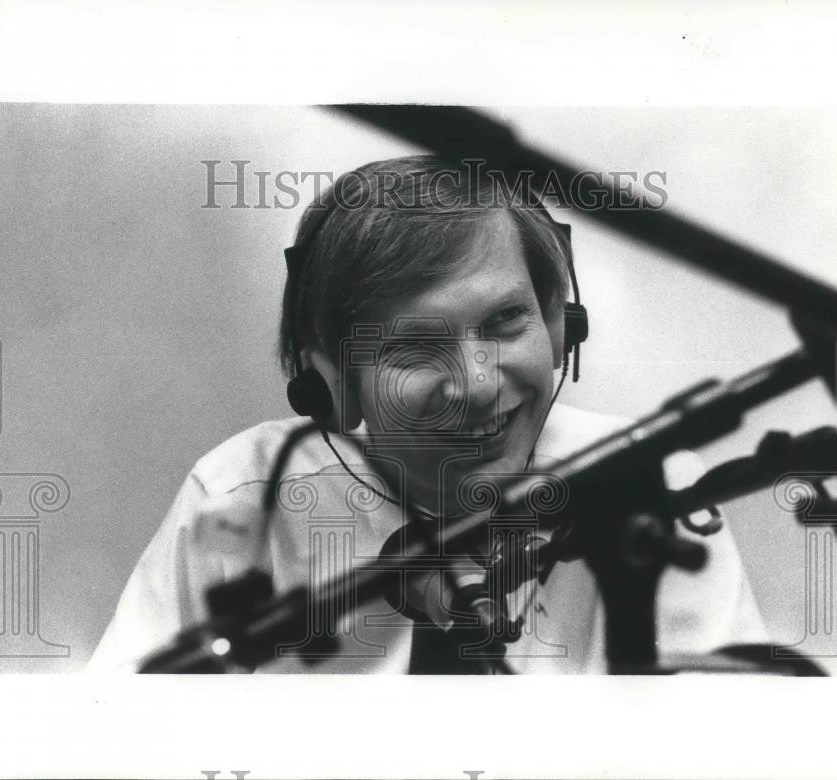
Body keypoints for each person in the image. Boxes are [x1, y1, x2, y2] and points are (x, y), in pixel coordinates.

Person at [89, 156, 767, 673]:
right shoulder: (242, 496)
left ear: (561, 328)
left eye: (505, 322)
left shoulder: (646, 482)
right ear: (332, 382)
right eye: (414, 347)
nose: (473, 386)